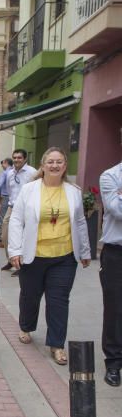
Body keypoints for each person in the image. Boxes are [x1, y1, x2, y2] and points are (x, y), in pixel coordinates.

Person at [8, 147, 90, 366]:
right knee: (30, 296)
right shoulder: (29, 190)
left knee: (59, 300)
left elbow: (80, 222)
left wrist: (85, 251)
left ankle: (56, 344)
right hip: (33, 255)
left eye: (59, 162)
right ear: (43, 165)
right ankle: (26, 326)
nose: (55, 165)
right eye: (50, 162)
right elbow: (16, 220)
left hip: (64, 256)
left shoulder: (73, 191)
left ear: (65, 166)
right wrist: (14, 250)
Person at [99, 159, 122, 387]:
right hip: (117, 253)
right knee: (115, 308)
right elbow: (116, 210)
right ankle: (114, 363)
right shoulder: (110, 176)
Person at [1, 149, 36, 276]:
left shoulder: (32, 172)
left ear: (25, 159)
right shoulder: (10, 173)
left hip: (26, 208)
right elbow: (9, 190)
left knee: (22, 237)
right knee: (5, 234)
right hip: (12, 207)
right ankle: (11, 259)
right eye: (14, 157)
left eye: (19, 157)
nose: (16, 160)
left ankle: (21, 264)